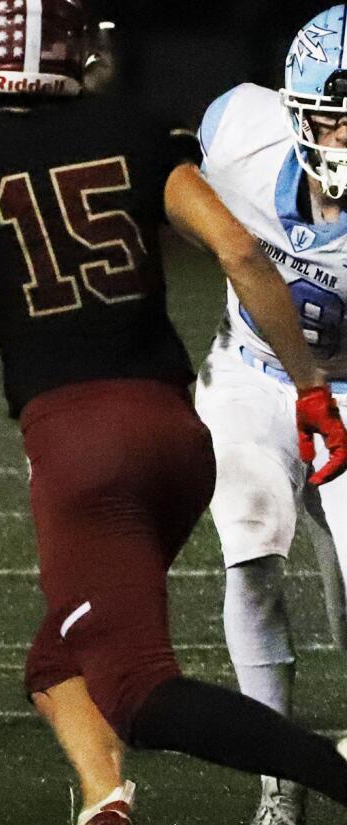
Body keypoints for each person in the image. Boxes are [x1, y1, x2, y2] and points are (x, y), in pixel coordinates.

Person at [0, 2, 347, 823]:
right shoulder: (142, 128)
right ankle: (105, 800)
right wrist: (309, 385)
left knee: (137, 689)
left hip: (84, 448)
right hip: (182, 433)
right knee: (58, 659)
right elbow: (239, 250)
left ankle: (329, 776)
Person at [195, 6, 347, 823]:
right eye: (336, 120)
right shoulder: (238, 132)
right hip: (251, 377)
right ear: (297, 111)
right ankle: (277, 784)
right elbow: (174, 186)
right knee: (250, 558)